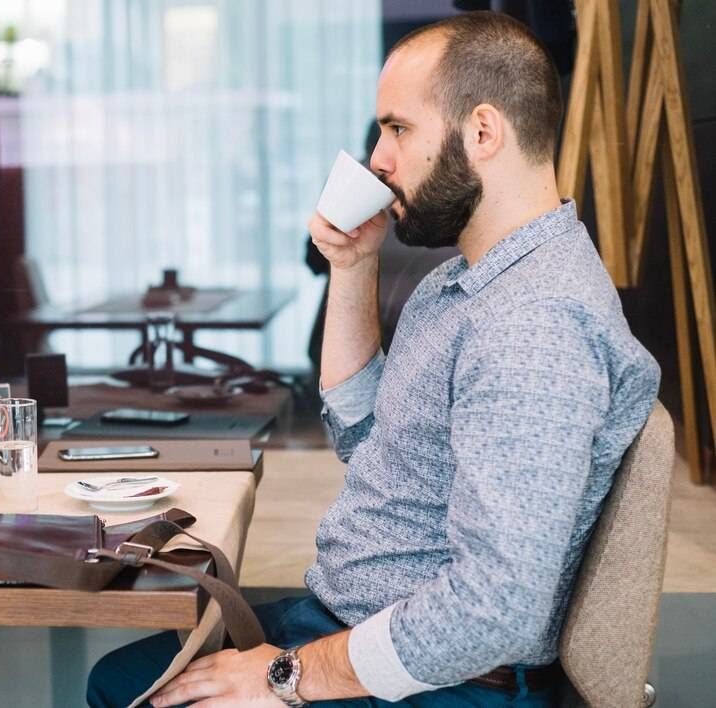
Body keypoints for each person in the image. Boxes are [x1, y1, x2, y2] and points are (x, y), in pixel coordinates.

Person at [87, 11, 660, 707]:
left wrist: (287, 677)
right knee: (122, 679)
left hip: (439, 679)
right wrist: (352, 268)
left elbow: (494, 607)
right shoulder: (461, 283)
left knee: (126, 691)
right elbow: (368, 439)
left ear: (483, 132)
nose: (377, 160)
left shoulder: (533, 325)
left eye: (397, 129)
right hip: (352, 628)